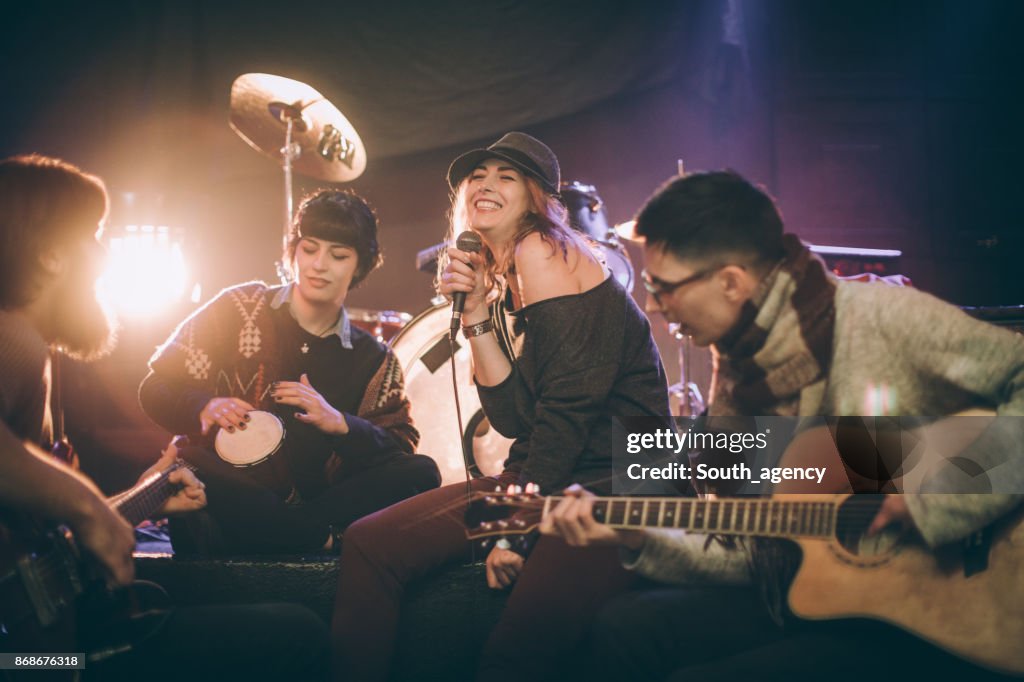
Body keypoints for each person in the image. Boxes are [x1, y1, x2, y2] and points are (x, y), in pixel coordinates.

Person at [540, 170, 1024, 681]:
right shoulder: (741, 370)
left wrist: (936, 496)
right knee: (624, 630)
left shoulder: (879, 317)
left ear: (731, 282)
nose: (654, 306)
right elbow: (750, 546)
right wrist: (637, 536)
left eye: (665, 287)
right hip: (818, 589)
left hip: (937, 599)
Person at [330, 132, 671, 681]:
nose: (485, 184)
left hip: (612, 486)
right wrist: (476, 315)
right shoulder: (511, 273)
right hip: (551, 477)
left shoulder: (544, 249)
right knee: (369, 545)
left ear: (537, 199)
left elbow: (567, 410)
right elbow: (513, 419)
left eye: (506, 176)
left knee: (511, 662)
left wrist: (515, 529)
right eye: (478, 176)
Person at [0, 154, 329, 680]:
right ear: (49, 256)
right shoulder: (10, 336)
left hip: (40, 652)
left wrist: (141, 496)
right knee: (300, 633)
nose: (104, 255)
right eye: (94, 235)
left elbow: (41, 541)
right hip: (29, 664)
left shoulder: (36, 351)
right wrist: (87, 505)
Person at [138, 189, 441, 555]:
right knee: (194, 462)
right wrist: (202, 405)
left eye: (338, 255)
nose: (318, 265)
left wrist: (340, 423)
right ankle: (310, 538)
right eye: (309, 249)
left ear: (360, 265)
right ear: (293, 251)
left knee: (422, 471)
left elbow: (399, 445)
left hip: (319, 502)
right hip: (231, 500)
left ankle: (293, 532)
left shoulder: (374, 358)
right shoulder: (237, 307)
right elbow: (154, 387)